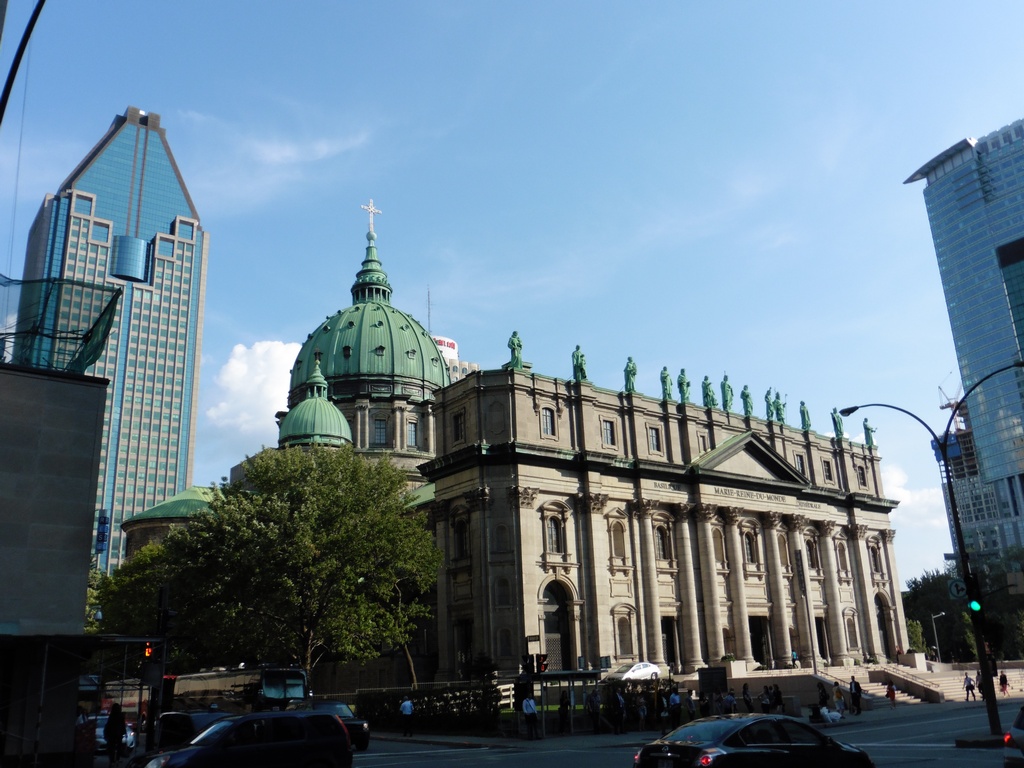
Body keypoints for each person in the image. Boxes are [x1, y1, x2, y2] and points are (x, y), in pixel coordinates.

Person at [104, 703, 127, 768]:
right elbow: (122, 725)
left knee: (112, 748)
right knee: (118, 747)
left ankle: (112, 761)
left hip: (112, 734)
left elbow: (108, 725)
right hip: (117, 734)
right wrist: (123, 732)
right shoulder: (120, 716)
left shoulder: (112, 716)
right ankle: (116, 760)